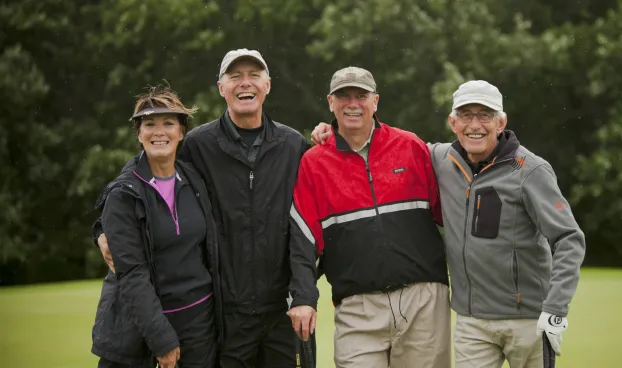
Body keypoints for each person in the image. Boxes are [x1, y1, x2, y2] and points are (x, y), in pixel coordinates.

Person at [311, 80, 586, 368]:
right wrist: (340, 131)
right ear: (452, 122)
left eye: (485, 115)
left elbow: (569, 238)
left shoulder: (530, 170)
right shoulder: (440, 158)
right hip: (471, 322)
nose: (474, 124)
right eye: (466, 115)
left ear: (501, 121)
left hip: (528, 318)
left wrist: (555, 308)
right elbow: (385, 144)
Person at [94, 49, 318, 368]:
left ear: (268, 85)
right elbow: (146, 167)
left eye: (254, 75)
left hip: (281, 314)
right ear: (220, 87)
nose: (245, 83)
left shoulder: (293, 144)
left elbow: (313, 210)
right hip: (226, 318)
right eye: (235, 76)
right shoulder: (198, 145)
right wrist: (102, 227)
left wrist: (330, 134)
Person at [289, 66, 451, 367]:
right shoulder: (313, 164)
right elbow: (303, 239)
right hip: (356, 308)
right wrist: (302, 297)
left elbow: (452, 215)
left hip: (423, 303)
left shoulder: (410, 147)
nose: (353, 103)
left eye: (361, 96)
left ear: (375, 101)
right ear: (330, 102)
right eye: (344, 96)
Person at [90, 85, 218, 368]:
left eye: (168, 123)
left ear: (181, 132)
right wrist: (161, 338)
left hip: (200, 327)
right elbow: (132, 273)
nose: (159, 132)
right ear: (139, 133)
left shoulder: (194, 178)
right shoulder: (123, 194)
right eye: (149, 124)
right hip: (142, 331)